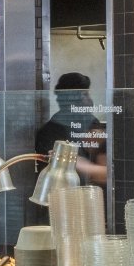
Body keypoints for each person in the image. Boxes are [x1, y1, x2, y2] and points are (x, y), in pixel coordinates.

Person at [29, 72, 108, 221]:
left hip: (87, 205)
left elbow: (105, 172)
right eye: (85, 95)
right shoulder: (50, 132)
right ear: (71, 99)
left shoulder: (92, 123)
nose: (90, 100)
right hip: (59, 211)